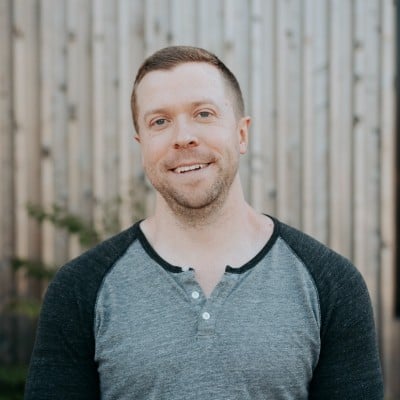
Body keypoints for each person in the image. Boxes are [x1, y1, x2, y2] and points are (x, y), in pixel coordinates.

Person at [25, 46, 383, 399]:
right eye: (160, 121)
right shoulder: (80, 289)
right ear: (142, 145)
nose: (183, 137)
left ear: (241, 134)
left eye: (204, 113)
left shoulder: (330, 283)